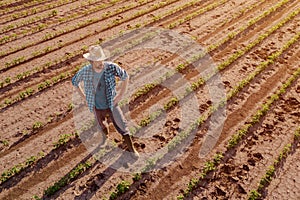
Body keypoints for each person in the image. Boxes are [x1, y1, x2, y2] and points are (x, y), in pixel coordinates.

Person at [72, 45, 139, 158]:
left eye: (101, 59)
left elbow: (125, 76)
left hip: (112, 104)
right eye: (97, 60)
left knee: (122, 125)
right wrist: (85, 98)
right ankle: (105, 139)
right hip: (97, 106)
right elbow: (74, 82)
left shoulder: (111, 67)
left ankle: (132, 149)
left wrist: (119, 97)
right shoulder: (86, 71)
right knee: (101, 124)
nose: (101, 62)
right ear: (91, 61)